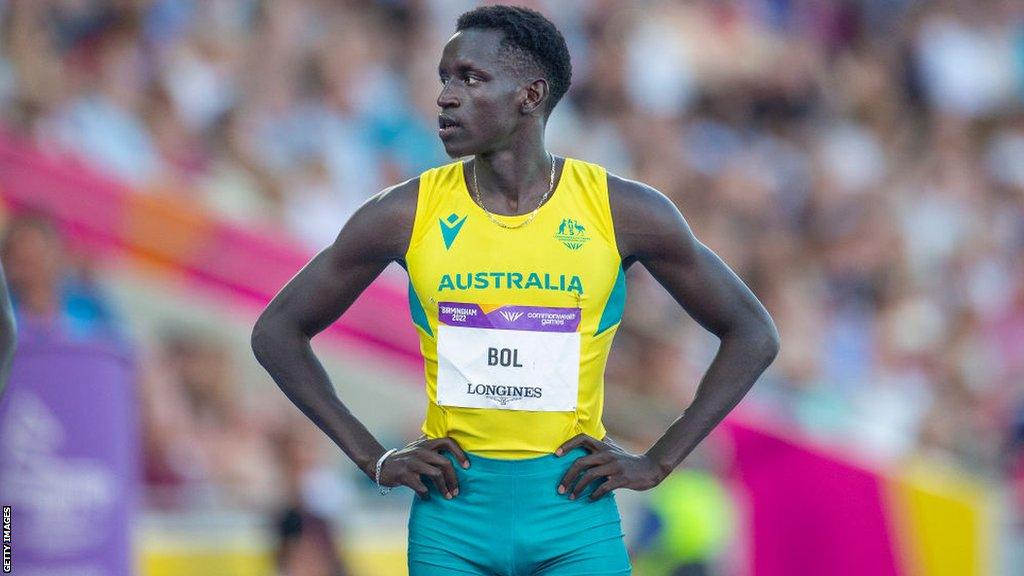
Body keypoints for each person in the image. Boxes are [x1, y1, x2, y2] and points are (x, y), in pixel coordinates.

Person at [251, 6, 778, 575]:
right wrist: (372, 457)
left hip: (573, 517)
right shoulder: (403, 213)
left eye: (470, 78)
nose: (446, 96)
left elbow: (752, 333)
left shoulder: (621, 211)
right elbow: (277, 331)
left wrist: (658, 461)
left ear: (531, 95)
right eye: (445, 78)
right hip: (453, 520)